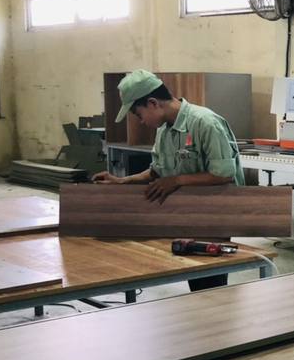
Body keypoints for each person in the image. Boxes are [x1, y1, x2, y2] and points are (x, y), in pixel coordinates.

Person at [93, 69, 244, 290]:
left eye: (138, 114)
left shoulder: (205, 122)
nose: (141, 122)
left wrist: (177, 180)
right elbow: (157, 172)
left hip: (214, 215)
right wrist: (123, 181)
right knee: (195, 278)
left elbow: (223, 174)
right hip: (185, 216)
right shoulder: (164, 131)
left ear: (153, 103)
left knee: (210, 284)